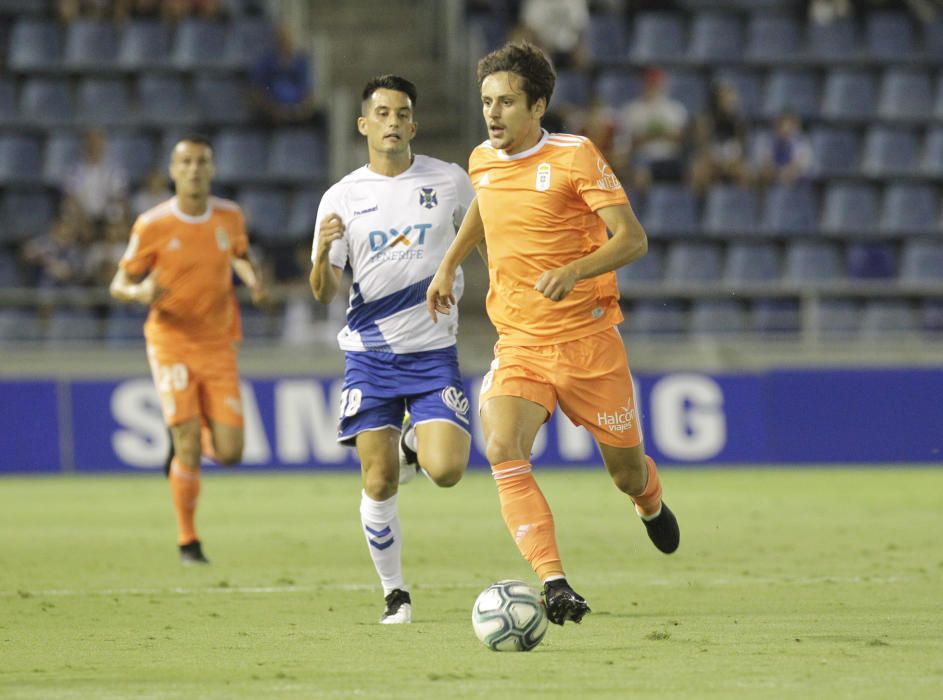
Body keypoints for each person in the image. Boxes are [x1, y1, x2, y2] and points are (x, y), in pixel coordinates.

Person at [426, 42, 680, 627]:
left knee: (626, 472)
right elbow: (484, 209)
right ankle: (554, 581)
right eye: (487, 101)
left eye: (507, 102)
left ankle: (650, 501)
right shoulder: (482, 160)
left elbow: (632, 239)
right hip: (520, 342)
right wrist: (448, 265)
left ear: (538, 106)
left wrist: (576, 270)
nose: (493, 114)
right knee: (503, 449)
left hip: (589, 342)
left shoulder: (576, 157)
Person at [309, 75, 479, 625]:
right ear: (364, 124)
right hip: (370, 356)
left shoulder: (450, 181)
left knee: (448, 470)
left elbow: (489, 227)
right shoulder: (341, 197)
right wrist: (317, 258)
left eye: (401, 113)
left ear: (414, 123)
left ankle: (413, 447)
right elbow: (324, 291)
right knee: (378, 482)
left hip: (432, 354)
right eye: (381, 113)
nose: (392, 122)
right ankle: (395, 594)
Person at [109, 135, 267, 565]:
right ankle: (188, 542)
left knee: (232, 452)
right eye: (186, 162)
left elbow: (238, 253)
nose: (194, 169)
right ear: (173, 171)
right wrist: (141, 291)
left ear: (211, 169)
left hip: (217, 342)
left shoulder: (230, 216)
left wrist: (250, 277)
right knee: (189, 445)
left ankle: (184, 444)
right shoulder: (153, 224)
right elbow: (118, 283)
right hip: (171, 341)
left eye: (202, 162)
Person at [614, 66, 688, 193]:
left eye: (656, 84)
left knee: (692, 171)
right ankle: (644, 210)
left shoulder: (674, 109)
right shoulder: (632, 110)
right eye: (650, 83)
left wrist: (653, 135)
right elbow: (627, 141)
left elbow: (681, 138)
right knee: (640, 174)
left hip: (670, 158)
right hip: (643, 159)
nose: (653, 88)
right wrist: (656, 135)